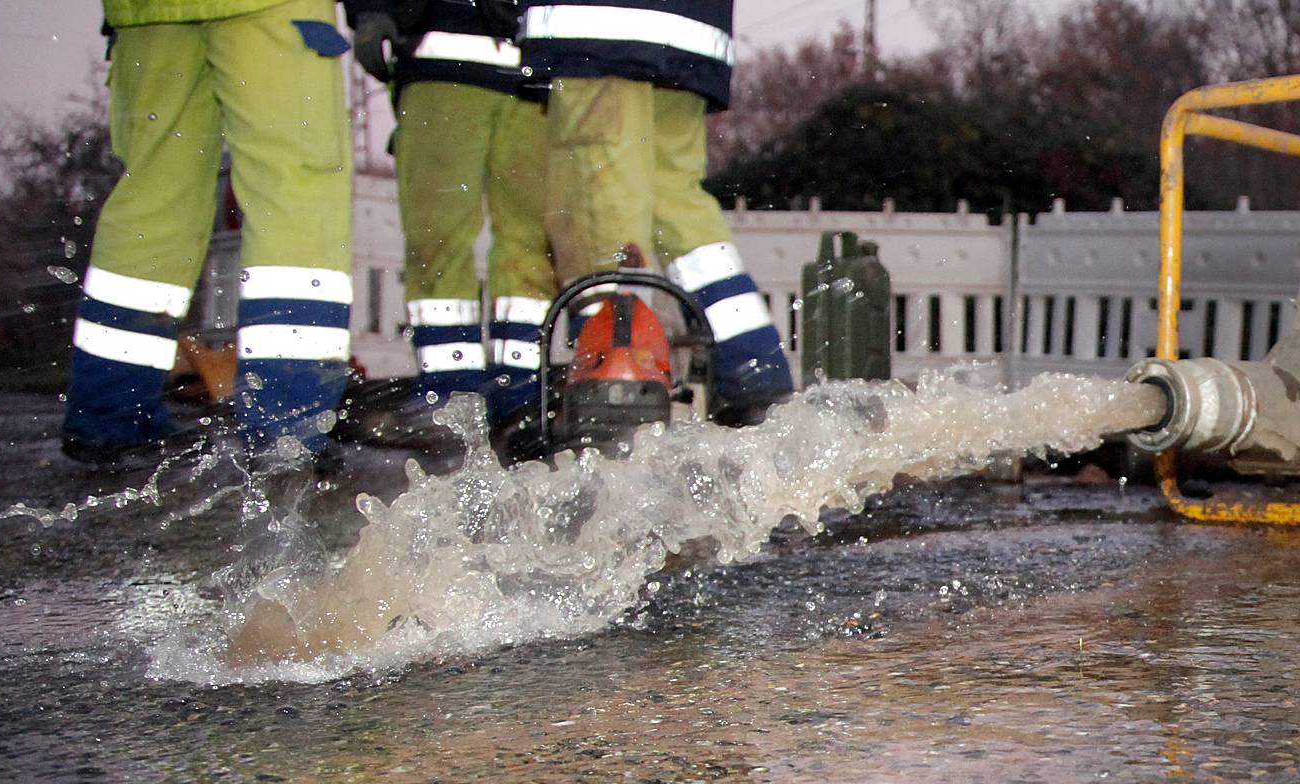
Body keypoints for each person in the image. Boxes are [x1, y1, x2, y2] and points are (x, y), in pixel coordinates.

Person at [63, 0, 356, 471]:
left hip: (146, 12)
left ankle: (109, 416)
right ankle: (288, 423)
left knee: (154, 194)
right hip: (266, 7)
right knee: (295, 189)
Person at [515, 0, 796, 427]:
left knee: (601, 202)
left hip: (597, 24)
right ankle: (753, 368)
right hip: (689, 30)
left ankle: (613, 398)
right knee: (675, 199)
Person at [340, 0, 557, 443]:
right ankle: (452, 395)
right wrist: (372, 9)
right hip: (445, 54)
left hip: (536, 65)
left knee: (527, 244)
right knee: (441, 241)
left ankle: (516, 396)